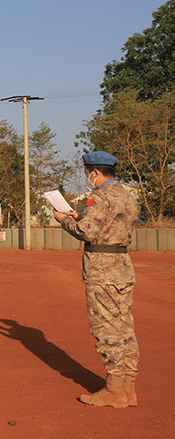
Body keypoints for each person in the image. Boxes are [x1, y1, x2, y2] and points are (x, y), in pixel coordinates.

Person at [54, 151, 140, 408]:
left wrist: (64, 221)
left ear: (94, 173)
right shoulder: (128, 195)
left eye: (87, 173)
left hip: (102, 269)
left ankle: (114, 390)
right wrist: (80, 218)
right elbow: (109, 228)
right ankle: (128, 388)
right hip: (123, 266)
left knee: (106, 329)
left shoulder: (99, 197)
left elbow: (86, 232)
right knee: (125, 327)